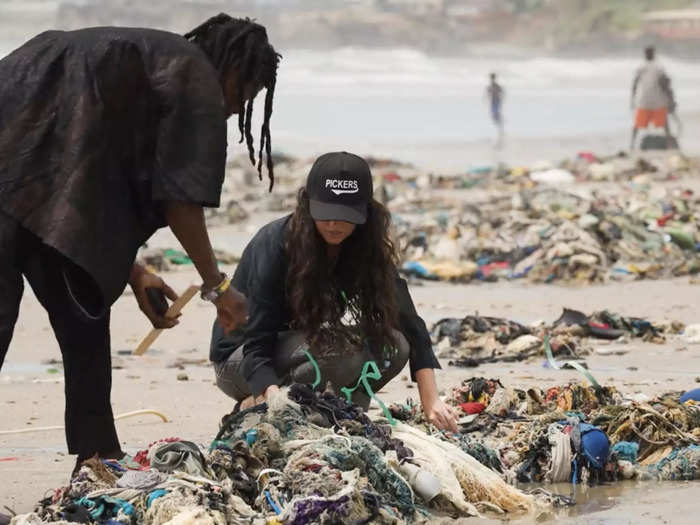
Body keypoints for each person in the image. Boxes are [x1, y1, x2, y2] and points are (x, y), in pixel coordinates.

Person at [0, 14, 279, 466]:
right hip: (17, 178)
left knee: (83, 309)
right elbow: (180, 200)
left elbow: (80, 181)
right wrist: (219, 288)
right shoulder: (196, 78)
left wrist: (132, 271)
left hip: (25, 174)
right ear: (234, 70)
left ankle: (99, 454)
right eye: (245, 94)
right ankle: (99, 452)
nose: (236, 108)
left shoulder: (150, 66)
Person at [210, 152, 458, 432]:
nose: (333, 224)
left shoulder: (365, 246)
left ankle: (334, 410)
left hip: (298, 348)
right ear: (308, 205)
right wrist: (271, 397)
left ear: (365, 212)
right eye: (325, 214)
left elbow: (409, 322)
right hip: (241, 360)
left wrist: (431, 400)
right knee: (338, 351)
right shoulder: (275, 244)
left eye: (345, 216)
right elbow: (257, 342)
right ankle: (254, 407)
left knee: (395, 345)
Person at [630, 46, 676, 150]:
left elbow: (635, 84)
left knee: (639, 124)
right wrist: (670, 98)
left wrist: (632, 100)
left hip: (647, 101)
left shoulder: (643, 67)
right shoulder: (657, 67)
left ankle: (632, 145)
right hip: (655, 100)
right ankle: (669, 145)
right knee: (664, 124)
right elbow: (666, 84)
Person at [486, 72, 505, 148]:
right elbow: (488, 94)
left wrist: (500, 100)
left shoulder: (496, 86)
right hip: (493, 103)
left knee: (496, 116)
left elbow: (502, 93)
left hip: (496, 103)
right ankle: (500, 130)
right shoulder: (491, 86)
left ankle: (500, 131)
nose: (491, 79)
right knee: (495, 117)